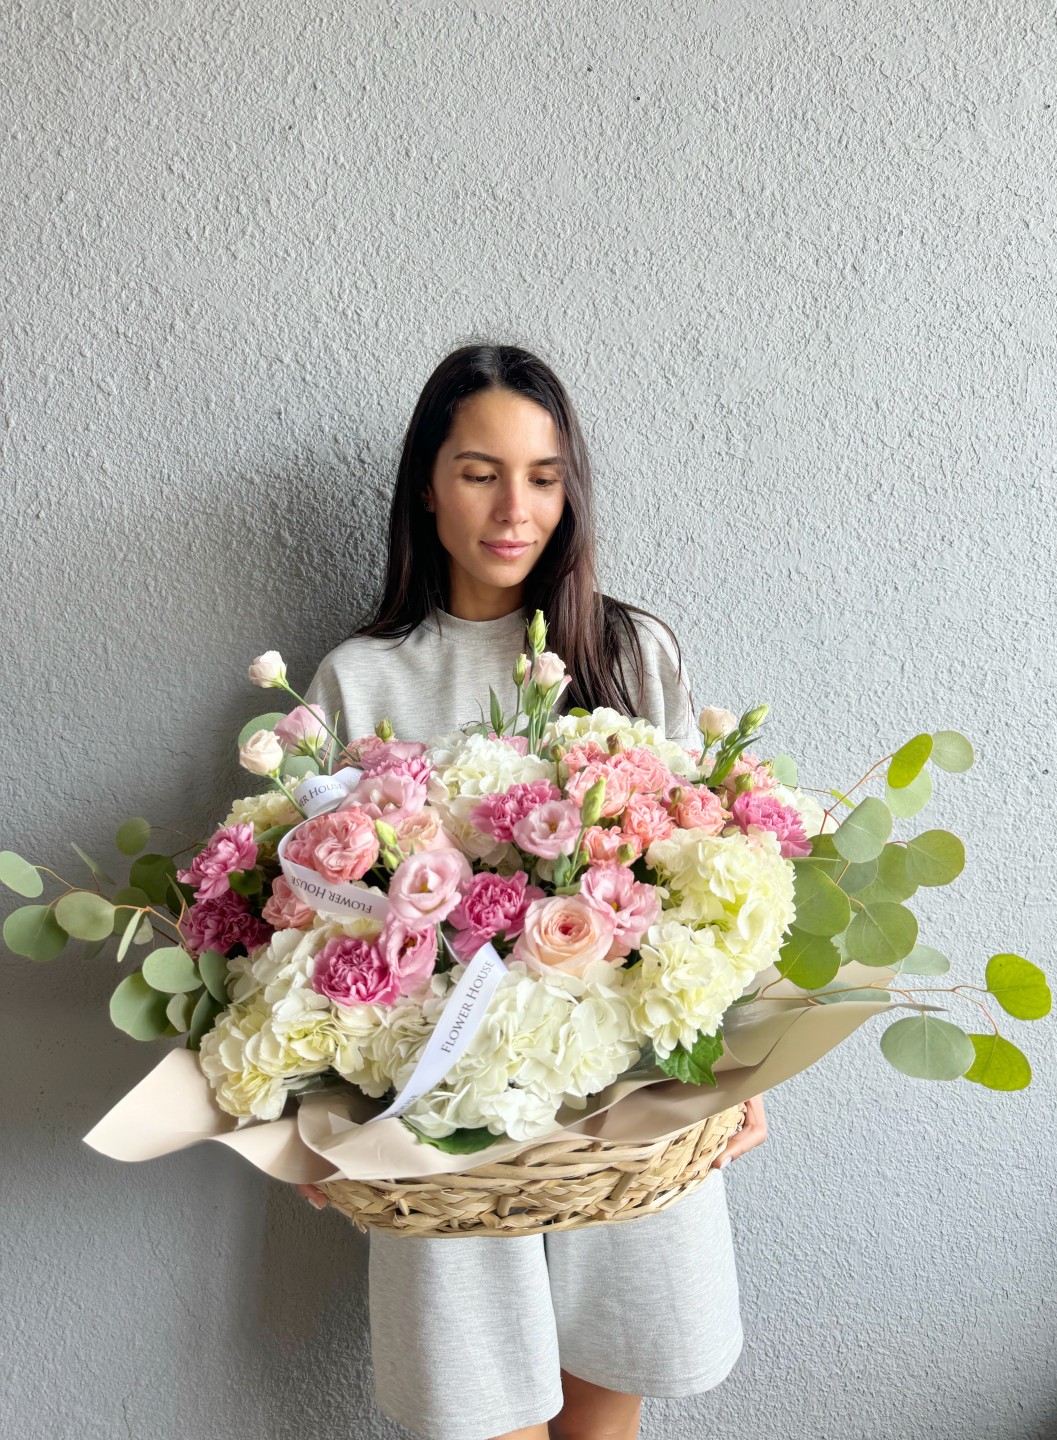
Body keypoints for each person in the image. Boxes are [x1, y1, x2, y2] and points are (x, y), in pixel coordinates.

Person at [295, 343, 768, 1440]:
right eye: (480, 472)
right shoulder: (359, 682)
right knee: (479, 1403)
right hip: (440, 1121)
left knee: (614, 1395)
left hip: (625, 1100)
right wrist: (301, 1118)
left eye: (545, 476)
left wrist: (745, 1072)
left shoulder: (629, 653)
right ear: (427, 481)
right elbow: (309, 931)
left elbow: (715, 879)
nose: (517, 509)